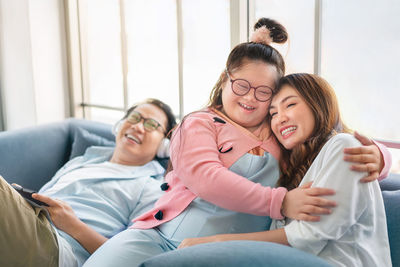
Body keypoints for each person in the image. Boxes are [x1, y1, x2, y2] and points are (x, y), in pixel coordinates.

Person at [83, 18, 391, 267]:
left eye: (264, 93)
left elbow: (334, 144)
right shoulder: (199, 123)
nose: (250, 98)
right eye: (241, 85)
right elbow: (206, 177)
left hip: (231, 253)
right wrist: (280, 201)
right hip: (159, 236)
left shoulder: (281, 132)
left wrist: (379, 157)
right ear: (225, 79)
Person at [178, 73, 392, 266]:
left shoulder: (344, 145)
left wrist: (215, 243)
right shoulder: (292, 169)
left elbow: (307, 236)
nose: (279, 118)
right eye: (272, 113)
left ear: (318, 104)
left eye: (289, 105)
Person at [0, 98, 177, 267]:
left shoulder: (151, 188)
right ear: (120, 125)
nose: (138, 126)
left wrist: (73, 225)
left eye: (151, 125)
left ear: (164, 145)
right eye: (134, 117)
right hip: (32, 224)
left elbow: (132, 257)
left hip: (59, 249)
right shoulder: (84, 159)